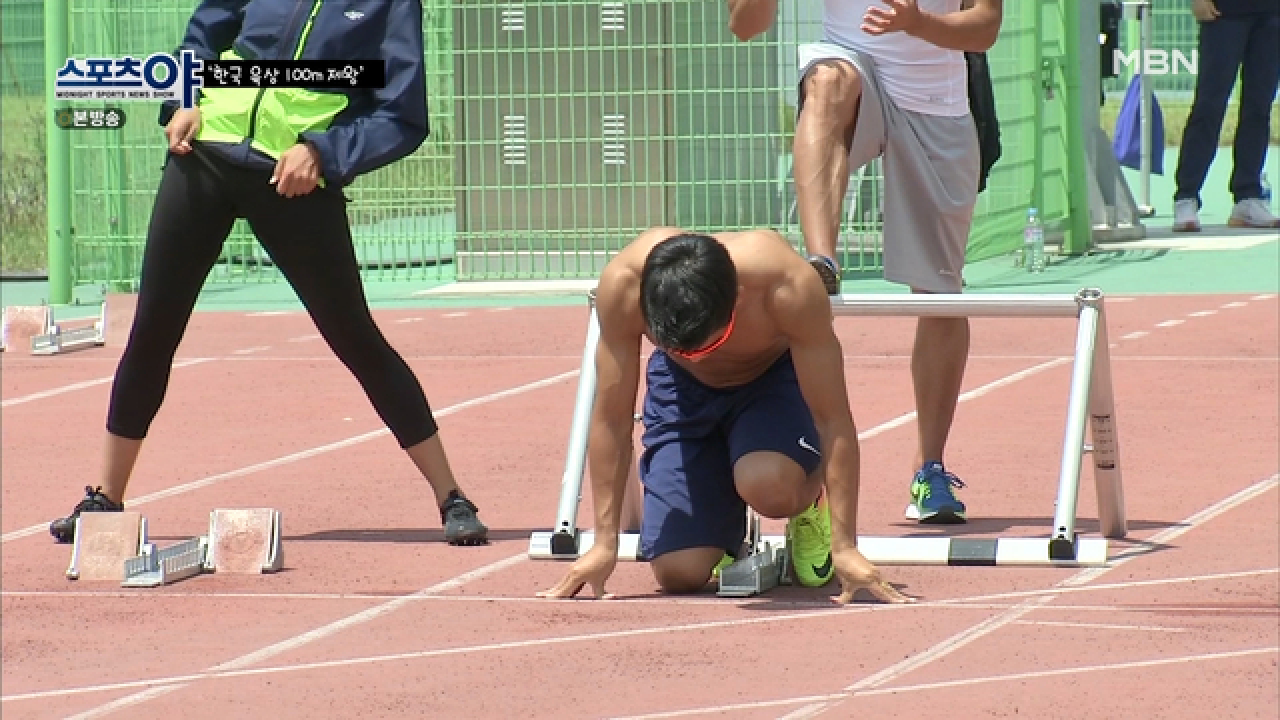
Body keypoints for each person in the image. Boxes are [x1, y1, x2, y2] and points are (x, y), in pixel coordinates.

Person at [48, 0, 489, 546]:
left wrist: (322, 153)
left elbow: (402, 114)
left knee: (355, 337)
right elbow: (201, 39)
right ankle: (106, 499)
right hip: (202, 160)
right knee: (153, 330)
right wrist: (183, 102)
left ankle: (452, 495)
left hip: (296, 180)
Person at [729, 0, 1004, 525]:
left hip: (936, 100)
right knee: (830, 79)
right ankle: (822, 262)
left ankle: (930, 469)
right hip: (854, 74)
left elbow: (985, 28)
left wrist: (918, 23)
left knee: (941, 297)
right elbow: (746, 27)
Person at [538, 228, 913, 604]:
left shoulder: (786, 284)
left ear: (737, 297)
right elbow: (611, 421)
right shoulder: (623, 285)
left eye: (711, 343)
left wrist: (845, 546)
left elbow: (834, 421)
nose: (699, 356)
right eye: (680, 346)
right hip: (682, 391)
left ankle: (809, 502)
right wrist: (604, 544)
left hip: (770, 380)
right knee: (678, 572)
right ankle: (724, 528)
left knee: (767, 486)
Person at [1171, 0, 1279, 232]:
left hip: (1271, 14)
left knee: (1259, 107)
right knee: (1209, 104)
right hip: (1223, 13)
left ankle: (1248, 196)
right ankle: (1186, 196)